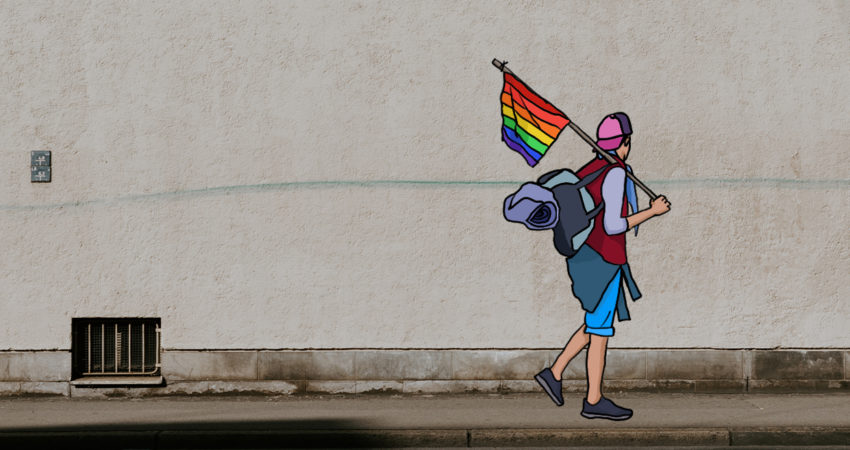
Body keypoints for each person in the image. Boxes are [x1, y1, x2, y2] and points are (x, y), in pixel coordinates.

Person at [534, 112, 670, 420]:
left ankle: (554, 373)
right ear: (624, 143)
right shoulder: (615, 172)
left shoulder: (590, 168)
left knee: (594, 323)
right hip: (604, 258)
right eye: (627, 142)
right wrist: (652, 212)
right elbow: (613, 225)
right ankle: (593, 400)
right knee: (599, 332)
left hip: (585, 256)